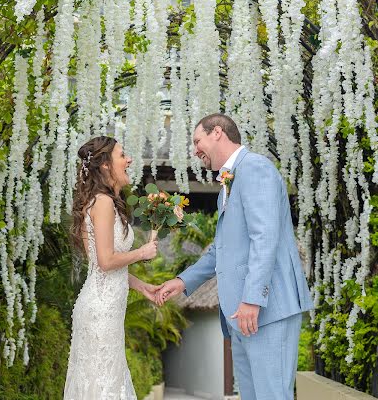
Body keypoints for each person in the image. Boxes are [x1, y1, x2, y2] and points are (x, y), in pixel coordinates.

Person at [156, 113, 314, 400]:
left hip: (267, 310)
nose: (195, 150)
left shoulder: (255, 168)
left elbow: (264, 237)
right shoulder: (227, 186)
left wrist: (252, 299)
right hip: (240, 315)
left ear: (217, 132)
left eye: (197, 141)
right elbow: (221, 248)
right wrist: (182, 281)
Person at [64, 135, 161, 400]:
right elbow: (106, 261)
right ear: (105, 165)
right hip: (101, 313)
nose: (129, 160)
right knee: (104, 385)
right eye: (122, 155)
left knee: (104, 382)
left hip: (104, 308)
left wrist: (142, 287)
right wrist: (142, 252)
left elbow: (102, 265)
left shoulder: (105, 203)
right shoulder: (103, 203)